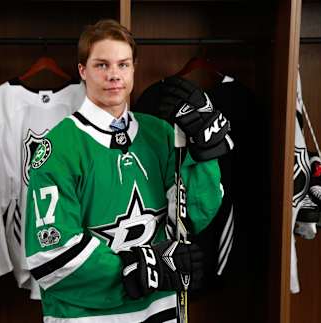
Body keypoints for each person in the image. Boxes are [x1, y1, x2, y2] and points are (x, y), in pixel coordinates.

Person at [24, 19, 231, 322]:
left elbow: (189, 220)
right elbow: (51, 254)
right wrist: (142, 269)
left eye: (123, 65)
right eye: (101, 65)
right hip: (85, 316)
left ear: (134, 68)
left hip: (160, 309)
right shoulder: (58, 147)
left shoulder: (160, 133)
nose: (114, 76)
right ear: (82, 70)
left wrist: (204, 156)